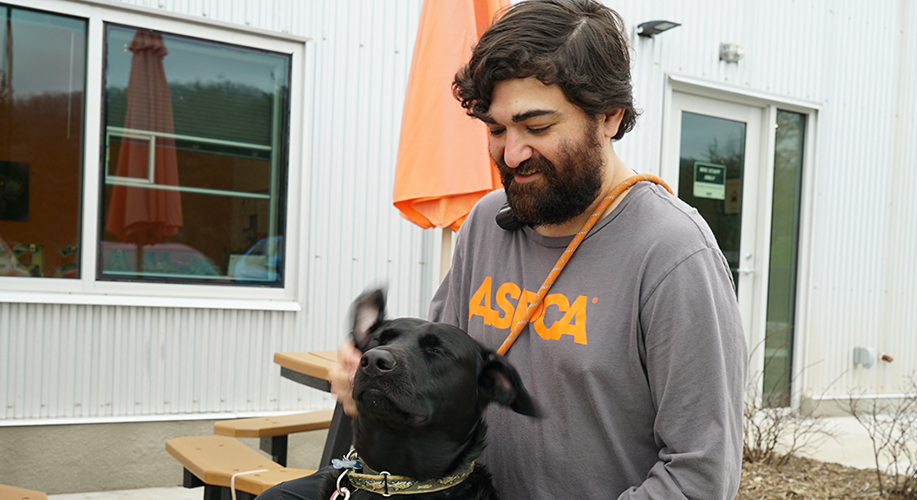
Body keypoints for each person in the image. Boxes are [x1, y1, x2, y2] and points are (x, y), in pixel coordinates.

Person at [263, 1, 746, 499]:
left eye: (536, 127)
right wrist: (376, 383)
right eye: (496, 130)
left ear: (609, 116)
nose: (511, 154)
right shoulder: (486, 224)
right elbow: (439, 393)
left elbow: (699, 475)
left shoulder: (673, 253)